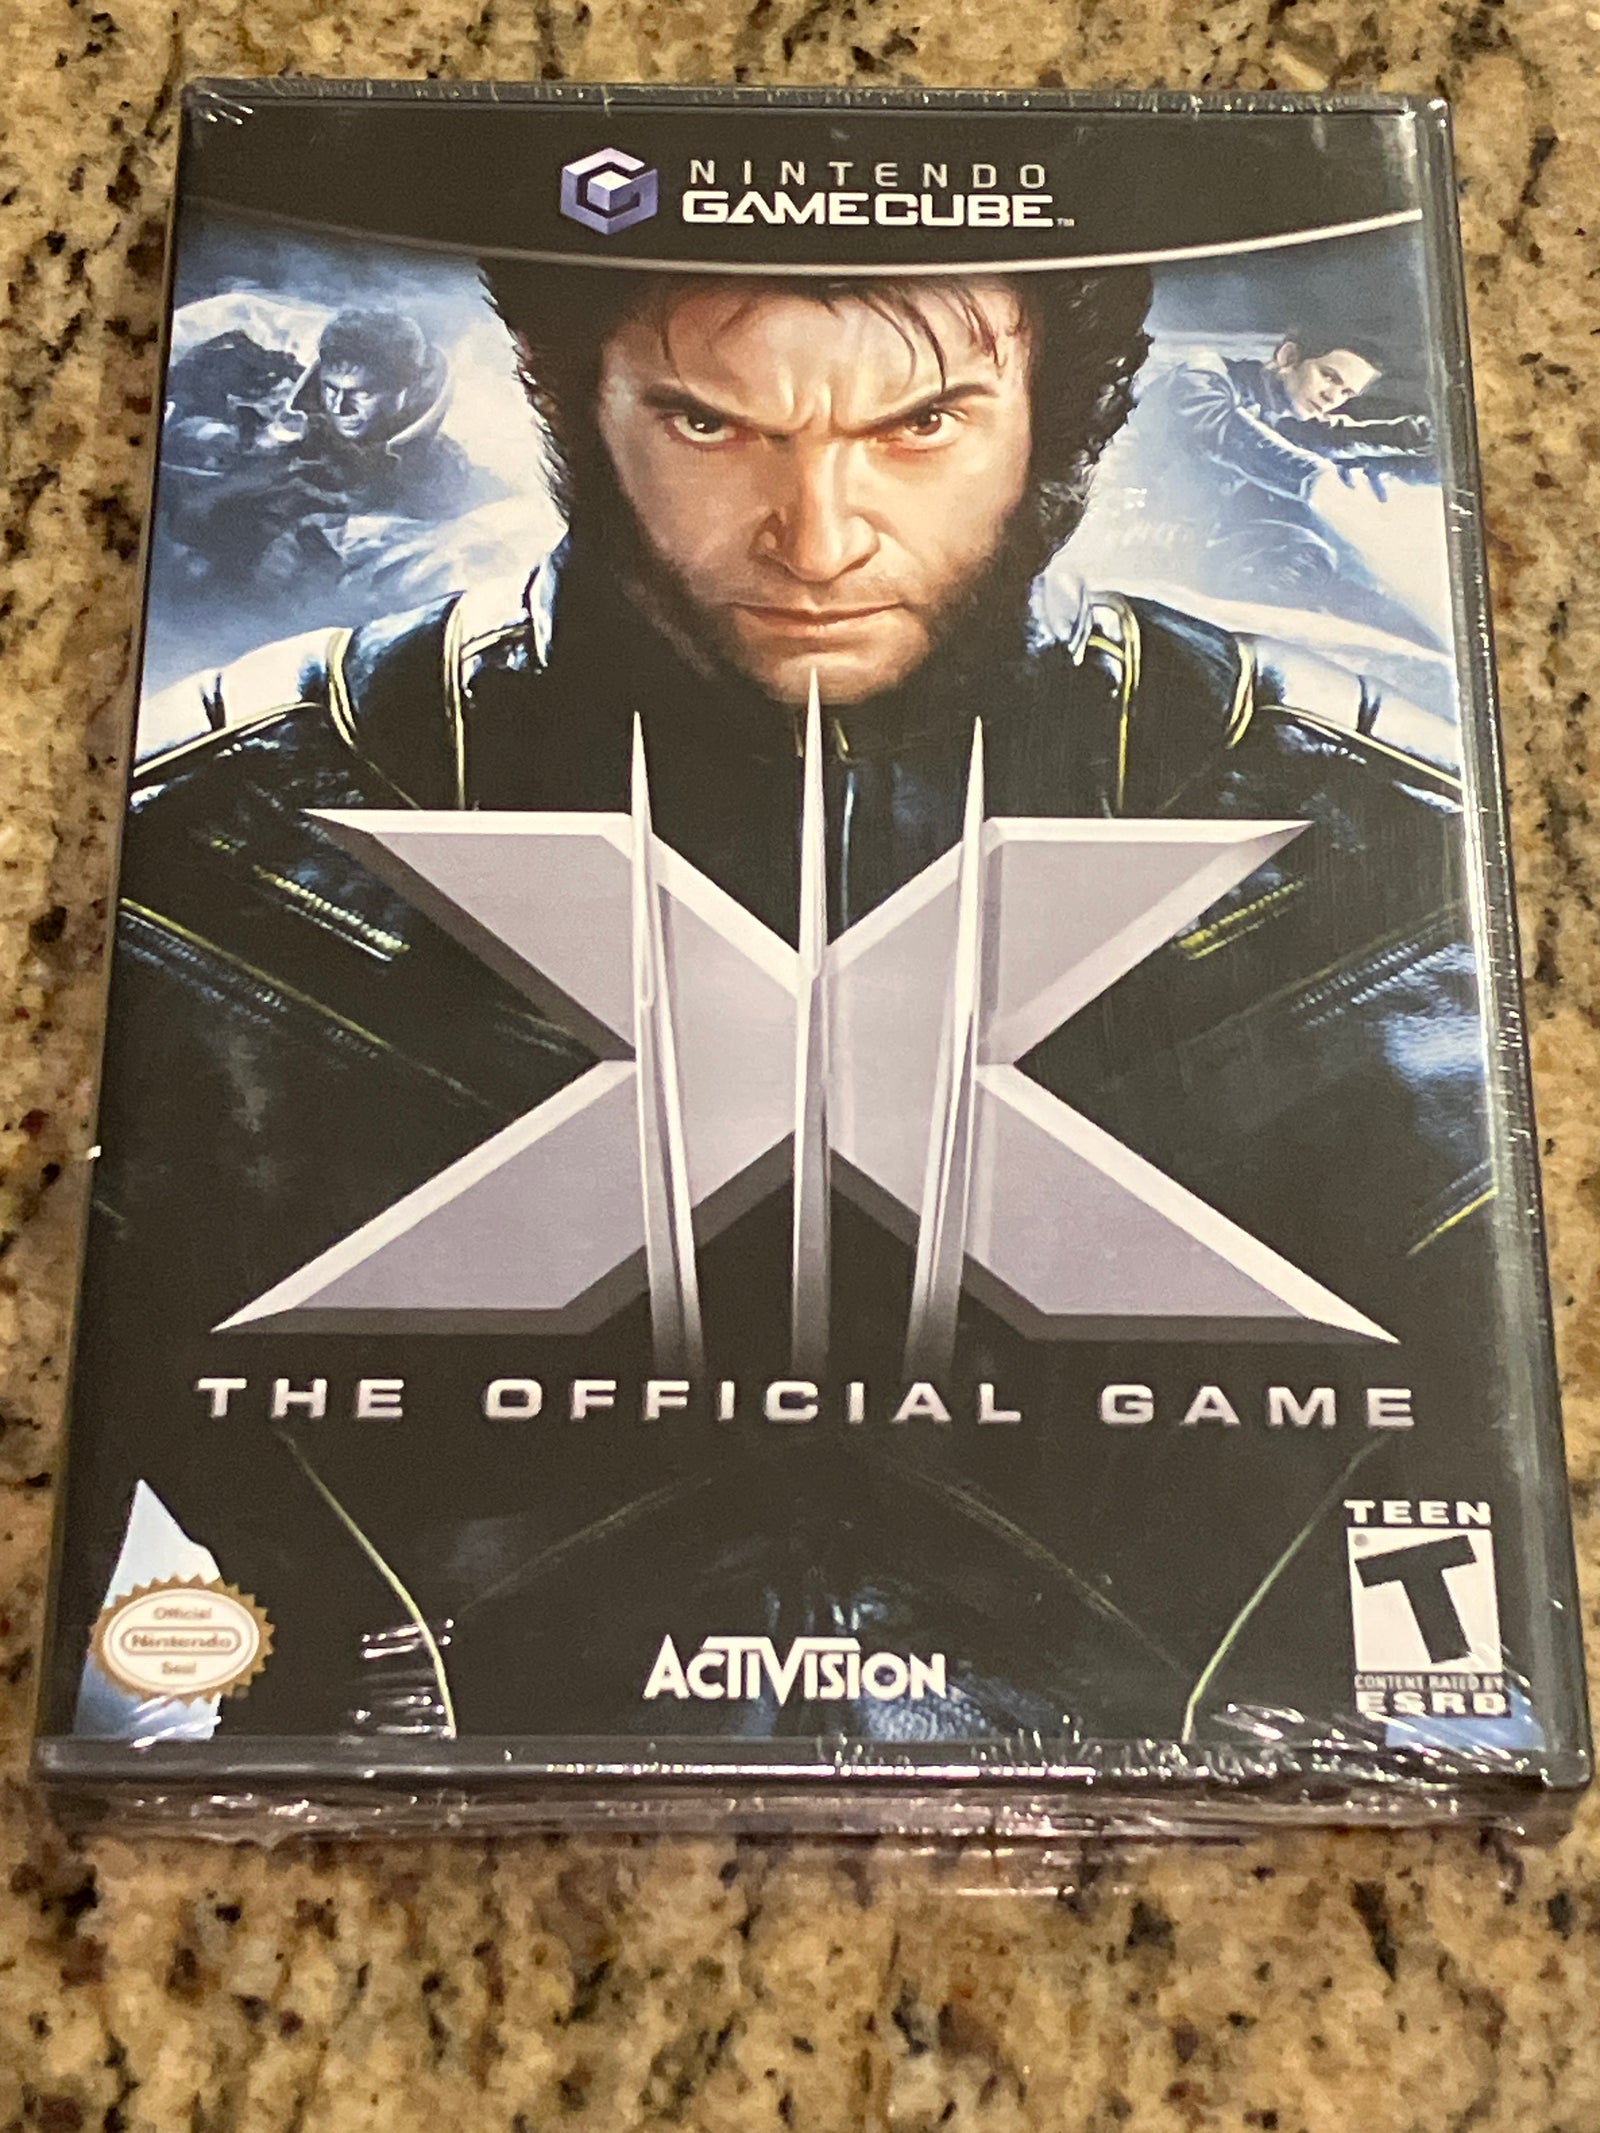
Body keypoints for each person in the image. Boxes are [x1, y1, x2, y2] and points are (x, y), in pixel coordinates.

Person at [72, 266, 1493, 1746]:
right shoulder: (211, 840)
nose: (817, 540)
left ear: (1059, 421)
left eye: (921, 424)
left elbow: (1485, 1604)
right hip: (390, 1836)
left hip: (1219, 1833)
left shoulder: (1377, 848)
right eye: (709, 423)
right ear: (568, 398)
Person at [1125, 322, 1437, 626]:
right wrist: (1316, 480)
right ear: (1289, 357)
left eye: (1346, 393)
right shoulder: (1202, 376)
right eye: (1328, 377)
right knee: (1300, 562)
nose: (1332, 398)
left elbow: (1324, 437)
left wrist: (1400, 436)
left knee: (1336, 567)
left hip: (1212, 540)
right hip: (1136, 530)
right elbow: (1227, 431)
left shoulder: (1284, 411)